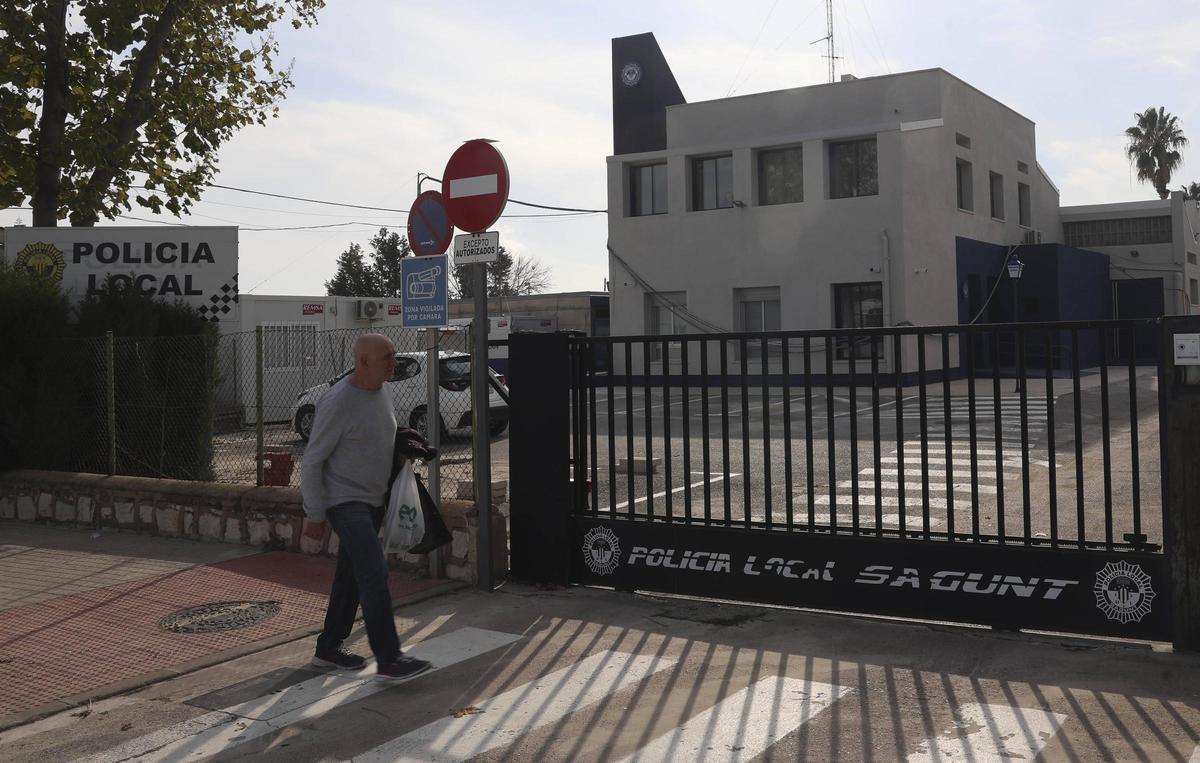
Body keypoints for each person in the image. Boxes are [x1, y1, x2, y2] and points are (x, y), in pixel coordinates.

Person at [301, 333, 431, 681]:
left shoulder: (382, 391)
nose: (394, 362)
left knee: (350, 578)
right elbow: (312, 460)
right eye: (387, 357)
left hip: (374, 499)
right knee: (373, 572)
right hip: (345, 502)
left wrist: (401, 451)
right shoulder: (338, 401)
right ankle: (389, 658)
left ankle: (328, 648)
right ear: (363, 362)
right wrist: (314, 516)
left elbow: (376, 437)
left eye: (394, 355)